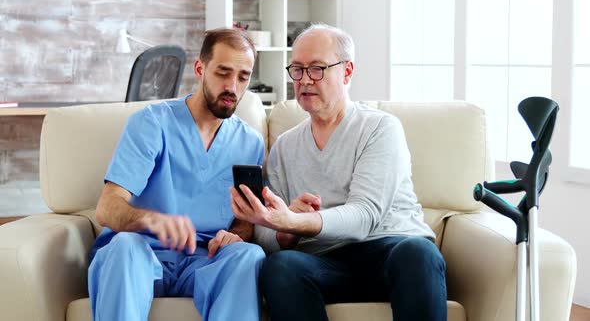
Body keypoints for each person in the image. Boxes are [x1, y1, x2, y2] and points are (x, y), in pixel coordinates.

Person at [230, 24, 447, 321]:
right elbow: (267, 238)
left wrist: (299, 220)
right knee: (280, 265)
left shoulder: (381, 128)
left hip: (392, 251)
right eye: (297, 69)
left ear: (347, 72)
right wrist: (284, 232)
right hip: (326, 262)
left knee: (419, 254)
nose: (305, 80)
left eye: (317, 69)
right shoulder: (284, 146)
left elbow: (365, 215)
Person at [88, 28, 266, 321]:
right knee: (124, 245)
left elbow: (244, 220)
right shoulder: (151, 124)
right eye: (223, 73)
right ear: (200, 69)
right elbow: (107, 208)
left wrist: (234, 236)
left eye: (243, 77)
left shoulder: (250, 143)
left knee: (248, 255)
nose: (233, 87)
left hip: (203, 262)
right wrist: (150, 219)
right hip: (141, 256)